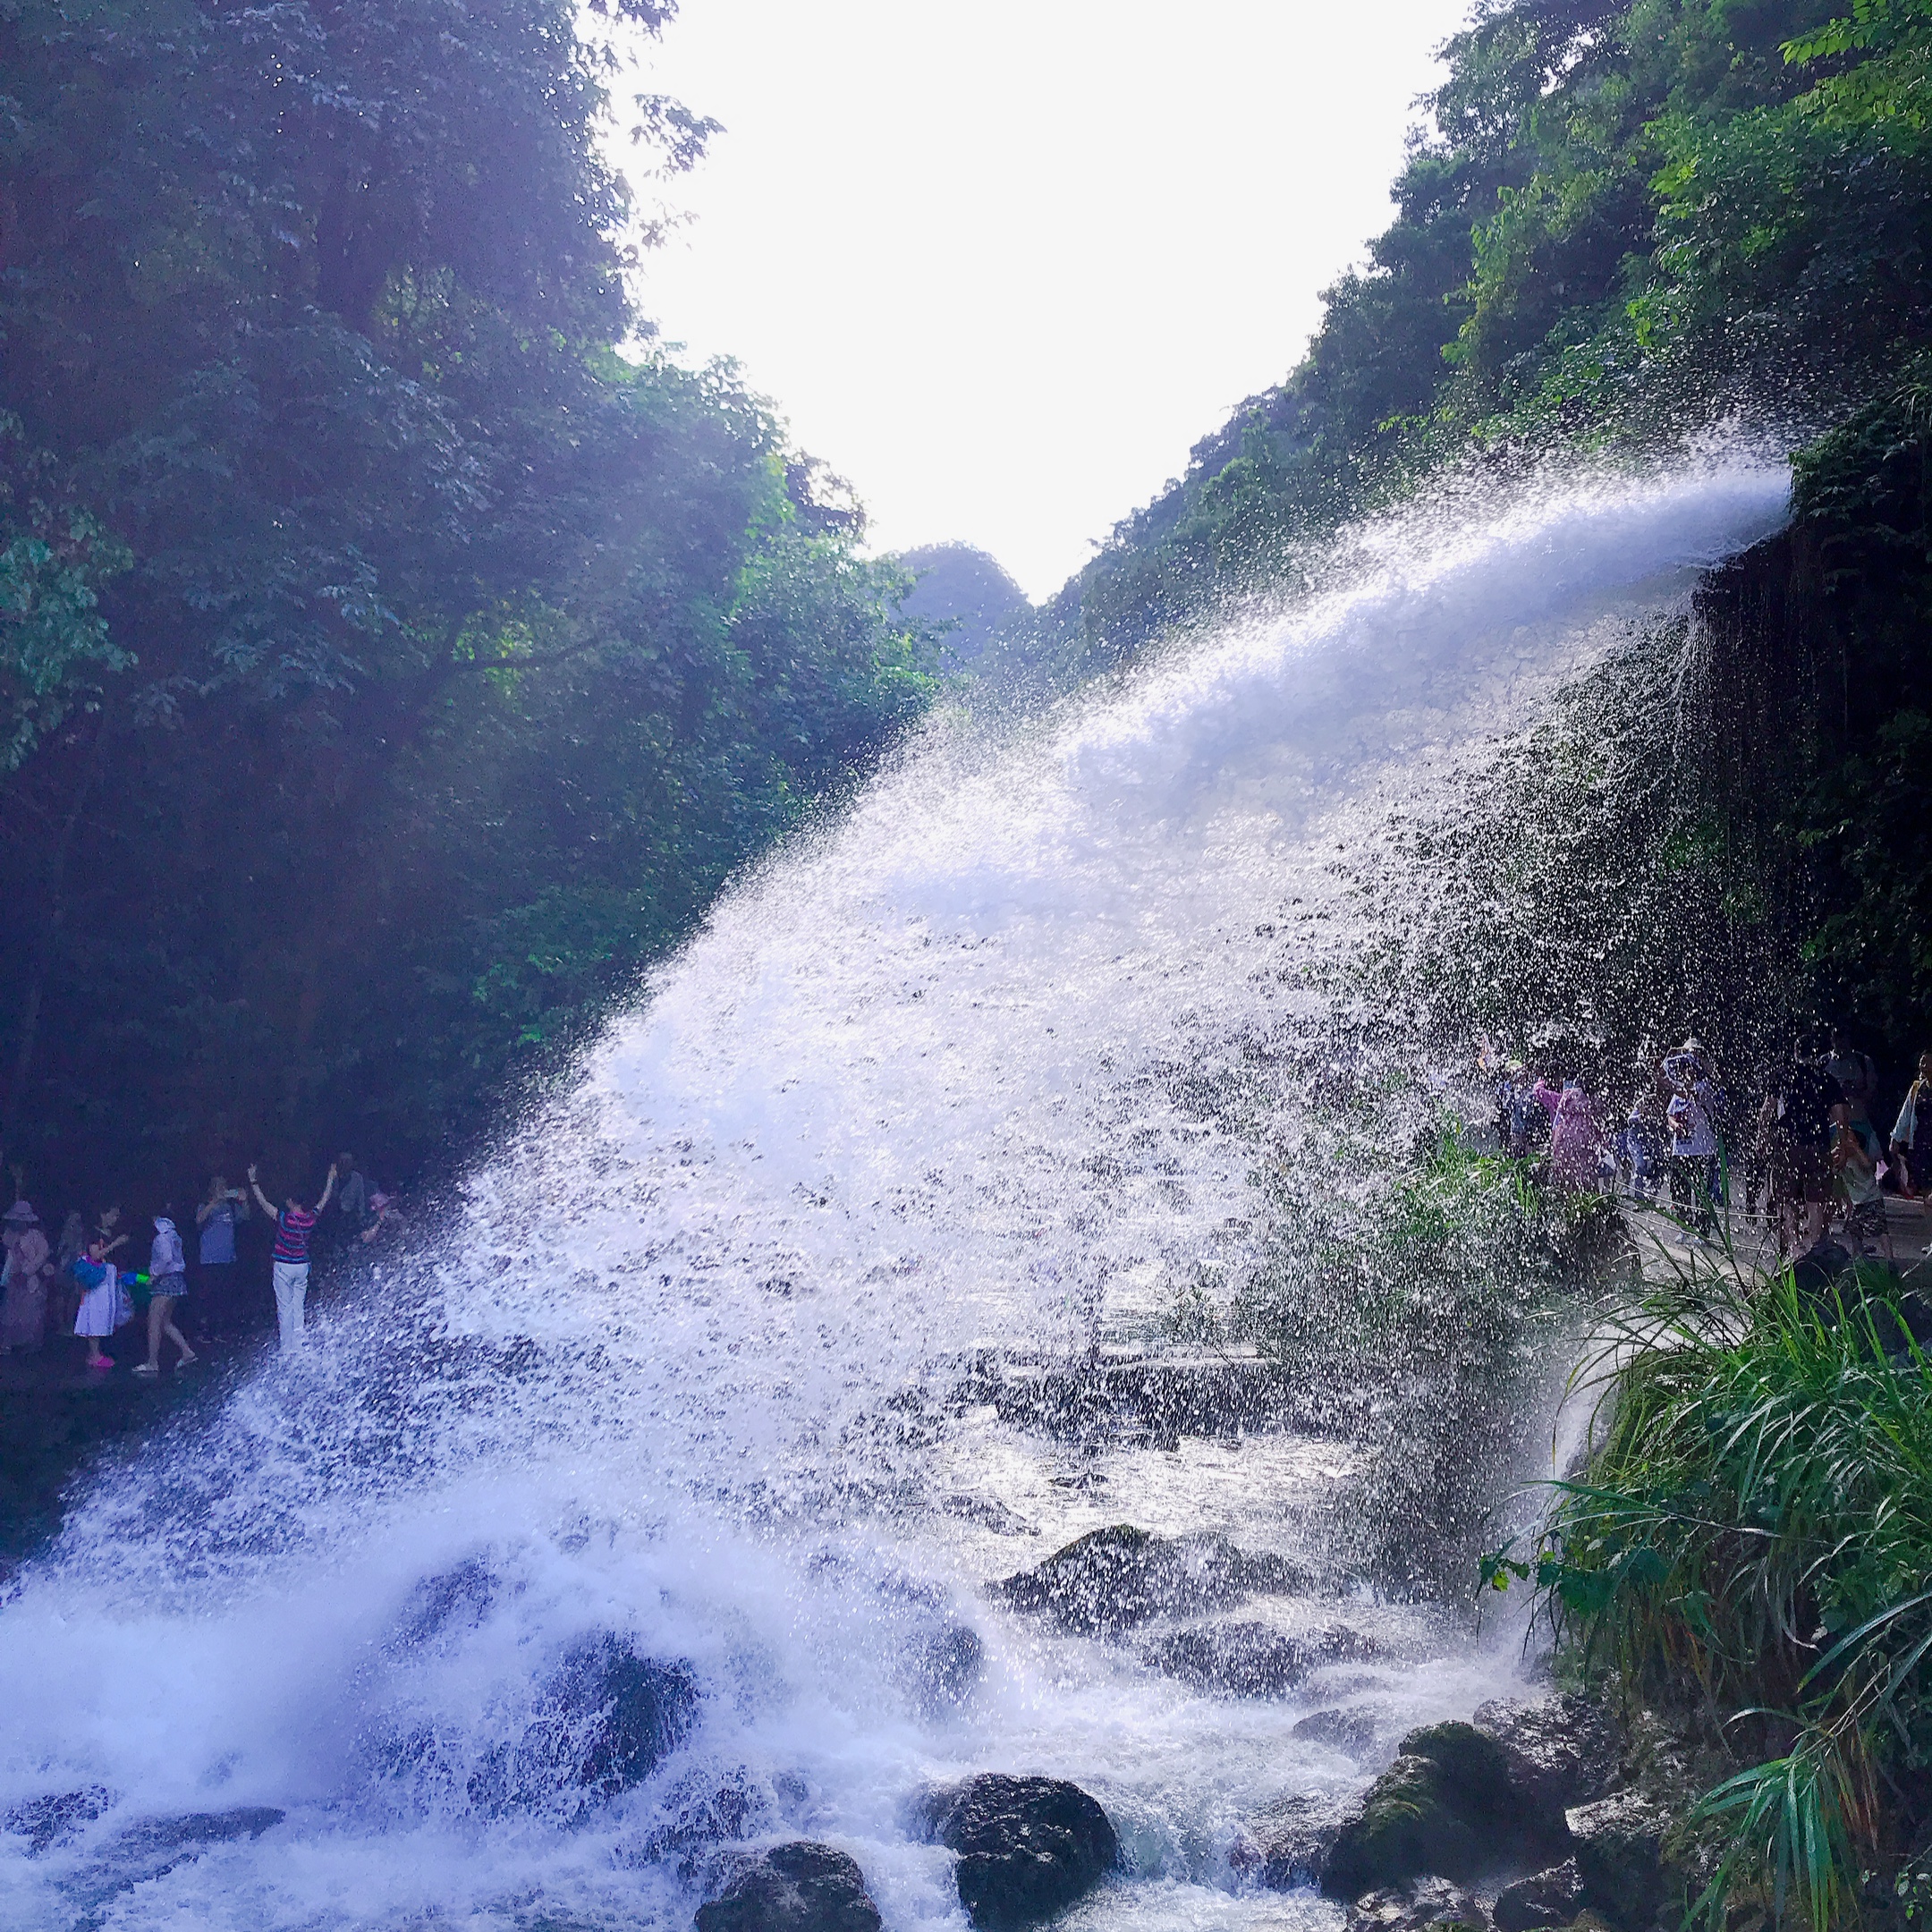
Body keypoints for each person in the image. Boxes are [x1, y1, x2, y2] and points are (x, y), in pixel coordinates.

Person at [1765, 1051, 1849, 1255]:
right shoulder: (1826, 1079)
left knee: (1786, 1198)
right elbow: (1840, 1113)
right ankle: (1816, 1247)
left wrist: (1764, 1136)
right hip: (1818, 1146)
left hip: (1788, 1146)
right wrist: (1843, 1144)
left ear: (1795, 1053)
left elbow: (1768, 1107)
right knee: (1816, 1200)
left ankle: (1795, 1246)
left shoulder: (1784, 1074)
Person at [249, 1160, 336, 1352]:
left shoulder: (285, 1218)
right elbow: (324, 1199)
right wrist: (330, 1178)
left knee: (284, 1306)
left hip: (283, 1266)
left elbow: (264, 1203)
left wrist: (253, 1182)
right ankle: (299, 1345)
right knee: (298, 1307)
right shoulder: (310, 1218)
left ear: (291, 1201)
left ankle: (286, 1348)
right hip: (302, 1265)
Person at [134, 1213, 197, 1376]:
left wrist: (154, 1274)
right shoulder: (174, 1234)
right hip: (176, 1280)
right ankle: (187, 1352)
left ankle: (152, 1362)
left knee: (153, 1323)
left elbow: (166, 1258)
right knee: (165, 1322)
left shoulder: (161, 1238)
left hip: (165, 1281)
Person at [1666, 1066, 1720, 1236]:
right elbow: (1670, 1116)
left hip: (1702, 1149)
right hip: (1680, 1150)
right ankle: (1685, 1227)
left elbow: (1692, 1096)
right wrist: (1675, 1125)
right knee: (1679, 1190)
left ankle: (1703, 1232)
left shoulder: (1704, 1087)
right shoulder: (1678, 1092)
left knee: (1702, 1192)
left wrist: (1665, 1081)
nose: (1686, 1071)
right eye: (1685, 1068)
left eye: (1690, 1067)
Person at [1832, 1116, 1894, 1261]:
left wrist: (1855, 1148)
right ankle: (1857, 1254)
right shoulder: (1841, 1159)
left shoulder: (1860, 1157)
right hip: (1856, 1202)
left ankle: (1890, 1259)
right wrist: (1836, 1152)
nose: (1845, 1141)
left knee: (1881, 1230)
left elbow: (1867, 1165)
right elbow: (1830, 1167)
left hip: (1872, 1198)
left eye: (1849, 1137)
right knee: (1854, 1229)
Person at [1532, 1073, 1606, 1191]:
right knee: (1587, 1178)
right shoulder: (1595, 1102)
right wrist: (1603, 1144)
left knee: (1567, 1177)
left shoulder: (1568, 1095)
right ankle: (1591, 1205)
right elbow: (1599, 1127)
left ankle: (1568, 1204)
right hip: (1584, 1144)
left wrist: (1555, 1137)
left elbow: (1558, 1117)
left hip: (1565, 1141)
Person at [195, 1174, 248, 1333]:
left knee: (226, 1296)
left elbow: (245, 1217)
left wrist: (244, 1200)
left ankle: (224, 1330)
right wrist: (214, 1202)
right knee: (210, 1296)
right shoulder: (204, 1205)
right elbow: (199, 1220)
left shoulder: (231, 1206)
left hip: (228, 1258)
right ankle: (208, 1330)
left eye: (224, 1185)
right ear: (212, 1189)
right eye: (218, 1186)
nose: (222, 1189)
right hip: (210, 1259)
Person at [0, 1200, 51, 1353]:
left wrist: (27, 1271)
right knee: (10, 1311)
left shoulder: (36, 1236)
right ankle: (7, 1343)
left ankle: (30, 1343)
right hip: (13, 1279)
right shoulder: (8, 1234)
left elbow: (42, 1255)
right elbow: (8, 1256)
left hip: (31, 1280)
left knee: (31, 1311)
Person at [1890, 1053, 1932, 1211]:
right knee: (1926, 1192)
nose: (1923, 1066)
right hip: (1921, 1146)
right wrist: (1895, 1138)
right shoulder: (1917, 1088)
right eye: (1922, 1062)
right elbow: (1906, 1114)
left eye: (1927, 1062)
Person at [72, 1236, 120, 1370]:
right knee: (94, 1320)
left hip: (104, 1290)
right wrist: (116, 1243)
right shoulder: (95, 1239)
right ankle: (95, 1355)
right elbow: (95, 1255)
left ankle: (94, 1353)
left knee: (101, 1319)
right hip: (96, 1291)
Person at [335, 1152, 369, 1239]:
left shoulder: (357, 1178)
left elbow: (361, 1198)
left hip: (350, 1213)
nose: (345, 1164)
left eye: (348, 1162)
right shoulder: (333, 1177)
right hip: (334, 1212)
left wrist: (361, 1216)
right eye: (343, 1162)